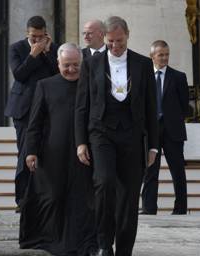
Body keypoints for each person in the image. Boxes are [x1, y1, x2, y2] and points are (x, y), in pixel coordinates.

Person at [74, 16, 158, 256]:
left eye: (119, 41)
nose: (115, 46)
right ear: (104, 38)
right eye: (111, 41)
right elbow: (82, 106)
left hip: (133, 136)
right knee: (105, 182)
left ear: (127, 35)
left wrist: (153, 146)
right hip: (101, 133)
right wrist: (80, 141)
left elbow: (152, 107)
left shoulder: (143, 64)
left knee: (130, 196)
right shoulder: (91, 64)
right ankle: (103, 243)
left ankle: (123, 249)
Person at [21, 43, 96, 256]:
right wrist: (31, 151)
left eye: (75, 65)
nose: (71, 70)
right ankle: (50, 239)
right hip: (52, 152)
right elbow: (35, 122)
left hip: (84, 152)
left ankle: (83, 242)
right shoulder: (45, 85)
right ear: (58, 63)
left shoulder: (90, 84)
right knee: (52, 196)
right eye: (66, 65)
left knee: (81, 199)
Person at [4, 15, 59, 207]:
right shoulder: (16, 48)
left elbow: (58, 73)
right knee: (26, 152)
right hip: (24, 109)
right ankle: (23, 199)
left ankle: (43, 196)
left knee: (46, 153)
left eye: (40, 36)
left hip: (47, 109)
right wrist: (33, 54)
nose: (37, 40)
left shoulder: (52, 49)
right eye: (33, 36)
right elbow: (19, 74)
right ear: (27, 33)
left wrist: (46, 52)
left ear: (46, 33)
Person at [141, 40, 188, 215]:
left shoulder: (179, 77)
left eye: (167, 54)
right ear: (152, 56)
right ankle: (148, 208)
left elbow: (184, 106)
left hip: (173, 131)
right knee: (150, 171)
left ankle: (180, 209)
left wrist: (171, 119)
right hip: (150, 131)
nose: (164, 58)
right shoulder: (144, 77)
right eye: (161, 54)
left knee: (177, 172)